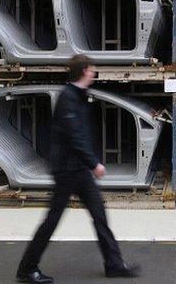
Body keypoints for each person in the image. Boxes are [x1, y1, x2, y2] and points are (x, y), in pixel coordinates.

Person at [16, 55, 140, 284]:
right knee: (52, 220)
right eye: (92, 69)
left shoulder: (79, 96)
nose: (94, 72)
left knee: (99, 215)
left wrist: (88, 164)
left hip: (79, 170)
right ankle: (27, 269)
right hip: (66, 170)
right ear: (84, 71)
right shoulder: (68, 98)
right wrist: (94, 163)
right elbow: (74, 136)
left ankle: (113, 264)